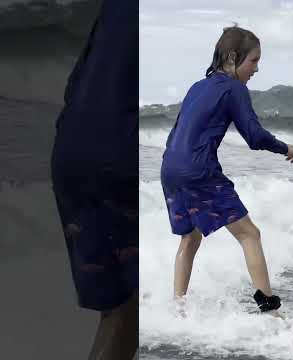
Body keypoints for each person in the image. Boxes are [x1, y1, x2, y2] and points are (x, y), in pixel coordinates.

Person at [161, 25, 293, 315]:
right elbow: (254, 136)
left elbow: (175, 133)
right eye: (254, 60)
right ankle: (270, 310)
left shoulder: (198, 86)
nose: (257, 68)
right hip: (199, 171)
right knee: (249, 234)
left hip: (170, 168)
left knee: (190, 236)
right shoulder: (234, 88)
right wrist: (285, 148)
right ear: (233, 57)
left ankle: (178, 309)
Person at [50, 1, 138, 359]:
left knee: (118, 313)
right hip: (120, 158)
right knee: (131, 311)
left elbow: (77, 82)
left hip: (72, 152)